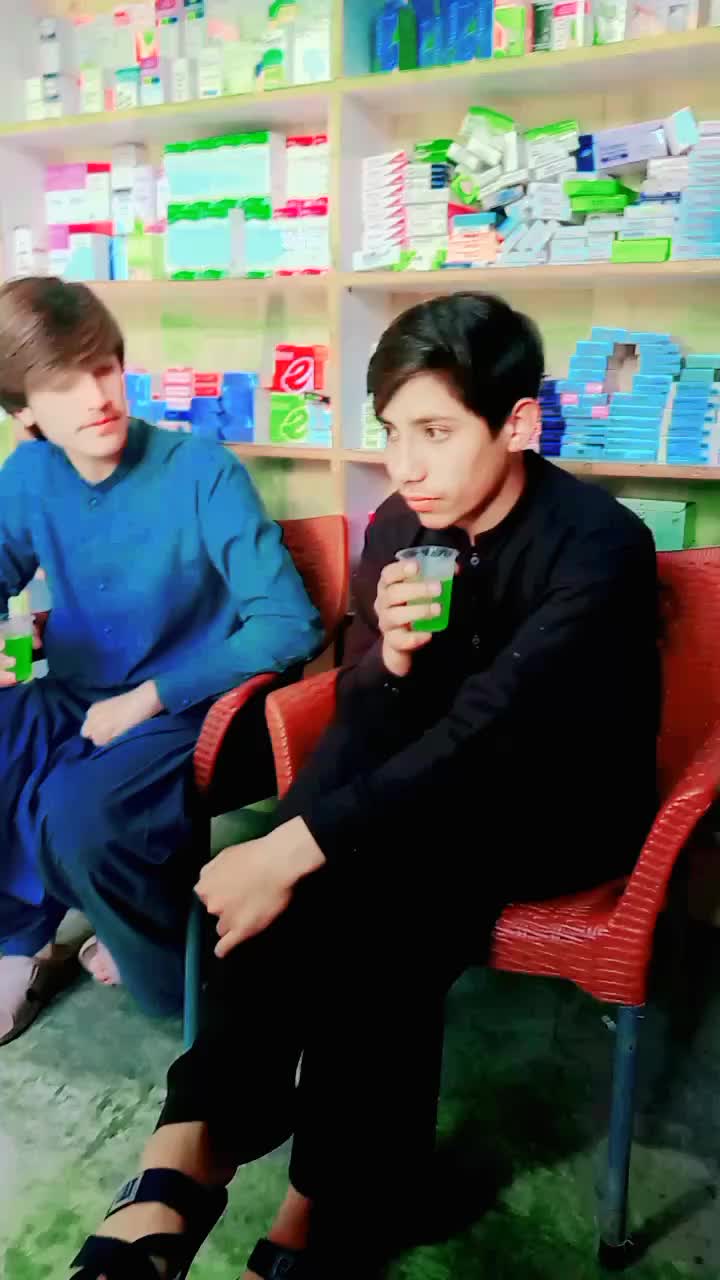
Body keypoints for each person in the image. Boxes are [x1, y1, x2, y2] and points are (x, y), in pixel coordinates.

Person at [68, 293, 660, 1280]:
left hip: (565, 804)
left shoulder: (599, 544)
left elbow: (495, 731)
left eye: (436, 431)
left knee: (376, 891)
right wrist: (387, 660)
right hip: (428, 790)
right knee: (314, 872)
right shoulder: (399, 524)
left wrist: (293, 845)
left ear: (517, 424)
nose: (405, 463)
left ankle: (297, 1203)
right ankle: (200, 1157)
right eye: (391, 431)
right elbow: (367, 715)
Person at [0, 276, 322, 1044]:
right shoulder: (29, 474)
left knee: (80, 811)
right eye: (63, 384)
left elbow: (290, 622)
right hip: (75, 690)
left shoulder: (202, 469)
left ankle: (171, 965)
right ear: (24, 414)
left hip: (194, 705)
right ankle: (20, 943)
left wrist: (149, 697)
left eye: (104, 367)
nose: (97, 397)